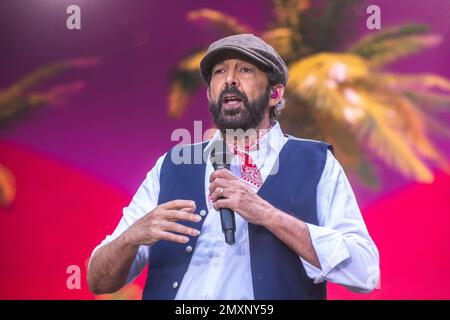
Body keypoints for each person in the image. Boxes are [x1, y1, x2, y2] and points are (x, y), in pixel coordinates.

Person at [87, 34, 379, 300]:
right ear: (210, 95)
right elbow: (98, 282)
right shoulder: (171, 165)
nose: (229, 80)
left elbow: (364, 272)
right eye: (219, 72)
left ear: (275, 94)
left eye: (245, 70)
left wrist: (267, 215)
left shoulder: (315, 162)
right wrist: (131, 237)